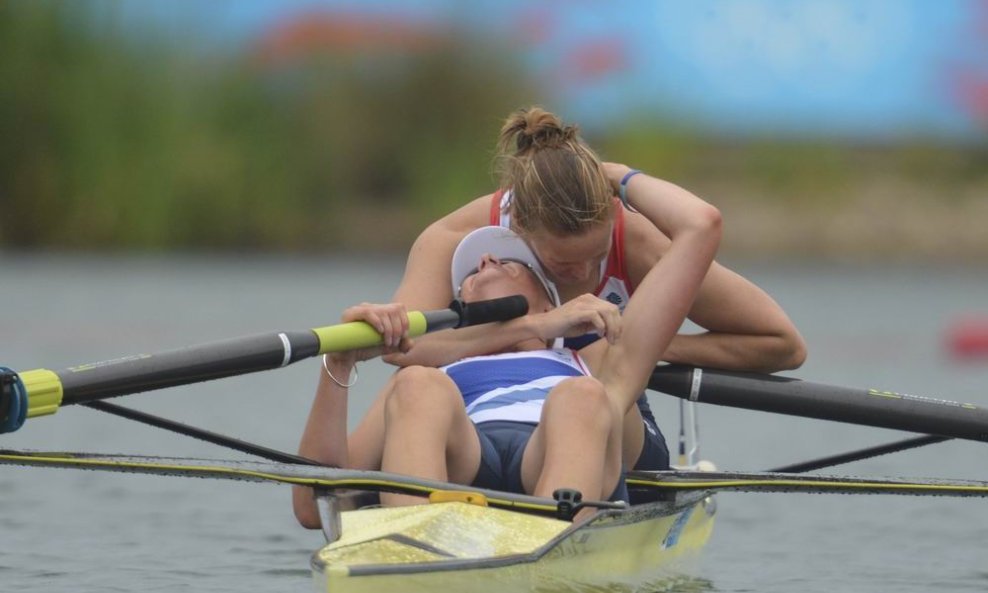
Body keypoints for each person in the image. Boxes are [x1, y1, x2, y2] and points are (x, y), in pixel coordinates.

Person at [340, 106, 806, 475]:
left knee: (582, 401)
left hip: (596, 412)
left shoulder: (635, 242)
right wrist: (538, 327)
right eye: (563, 264)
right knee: (414, 391)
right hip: (480, 424)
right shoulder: (453, 241)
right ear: (519, 226)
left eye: (597, 255)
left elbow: (779, 345)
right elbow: (407, 351)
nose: (584, 272)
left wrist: (628, 343)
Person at [294, 184, 721, 527]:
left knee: (583, 397)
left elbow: (699, 226)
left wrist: (619, 177)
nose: (485, 259)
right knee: (416, 384)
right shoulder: (430, 370)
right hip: (466, 455)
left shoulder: (596, 351)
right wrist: (339, 362)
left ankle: (549, 542)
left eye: (512, 263)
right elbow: (314, 508)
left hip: (553, 454)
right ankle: (414, 544)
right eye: (471, 274)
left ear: (549, 301)